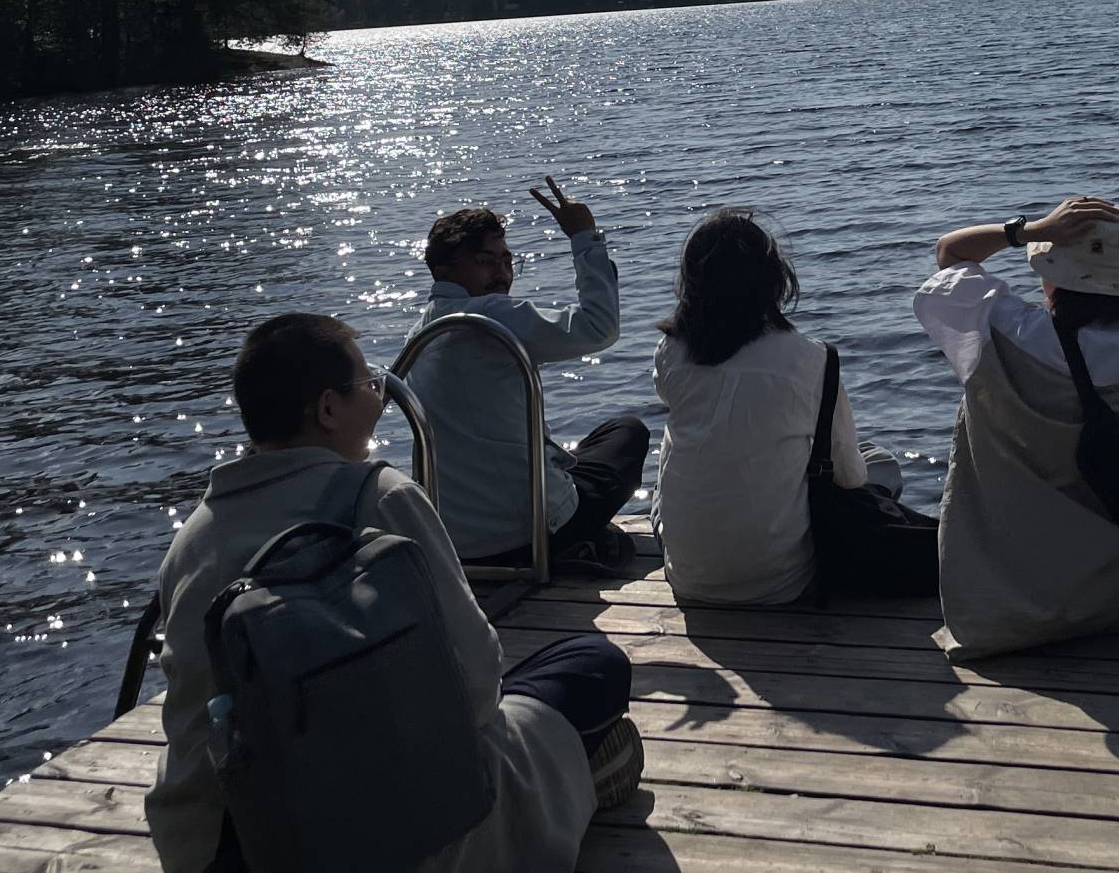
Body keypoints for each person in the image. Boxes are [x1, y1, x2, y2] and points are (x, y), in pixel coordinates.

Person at [143, 313, 643, 873]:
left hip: (218, 843)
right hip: (376, 830)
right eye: (368, 384)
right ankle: (581, 778)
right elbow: (478, 682)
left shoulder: (192, 538)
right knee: (592, 665)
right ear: (329, 409)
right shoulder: (378, 496)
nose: (380, 394)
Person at [916, 196, 1119, 660]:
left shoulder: (1006, 332)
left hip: (1002, 607)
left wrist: (1027, 230)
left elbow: (950, 254)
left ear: (1053, 274)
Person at [651, 208, 920, 605]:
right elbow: (848, 478)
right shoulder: (812, 359)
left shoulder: (670, 351)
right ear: (774, 281)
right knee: (881, 463)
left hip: (687, 578)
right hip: (780, 585)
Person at [416, 178, 649, 573]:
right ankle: (576, 541)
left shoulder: (420, 332)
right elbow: (600, 328)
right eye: (485, 261)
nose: (502, 273)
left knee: (581, 450)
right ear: (444, 271)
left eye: (507, 261)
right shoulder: (491, 317)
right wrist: (584, 238)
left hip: (459, 543)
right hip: (531, 535)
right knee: (629, 433)